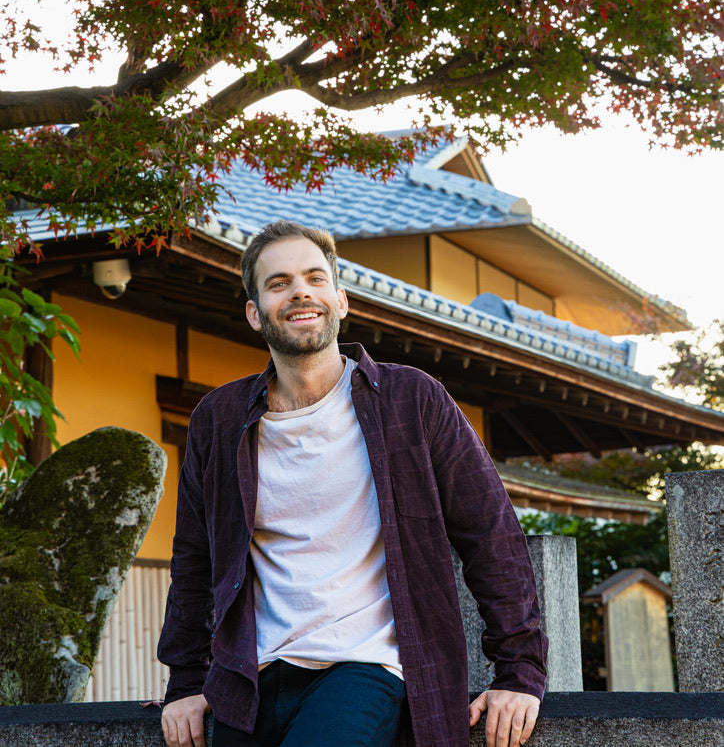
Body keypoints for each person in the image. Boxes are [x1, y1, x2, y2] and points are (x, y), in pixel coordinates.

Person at [158, 220, 548, 747]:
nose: (300, 291)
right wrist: (184, 682)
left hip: (365, 665)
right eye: (279, 283)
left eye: (315, 279)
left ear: (339, 300)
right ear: (255, 313)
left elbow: (491, 536)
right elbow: (194, 558)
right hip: (251, 677)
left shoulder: (411, 400)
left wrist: (519, 673)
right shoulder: (219, 419)